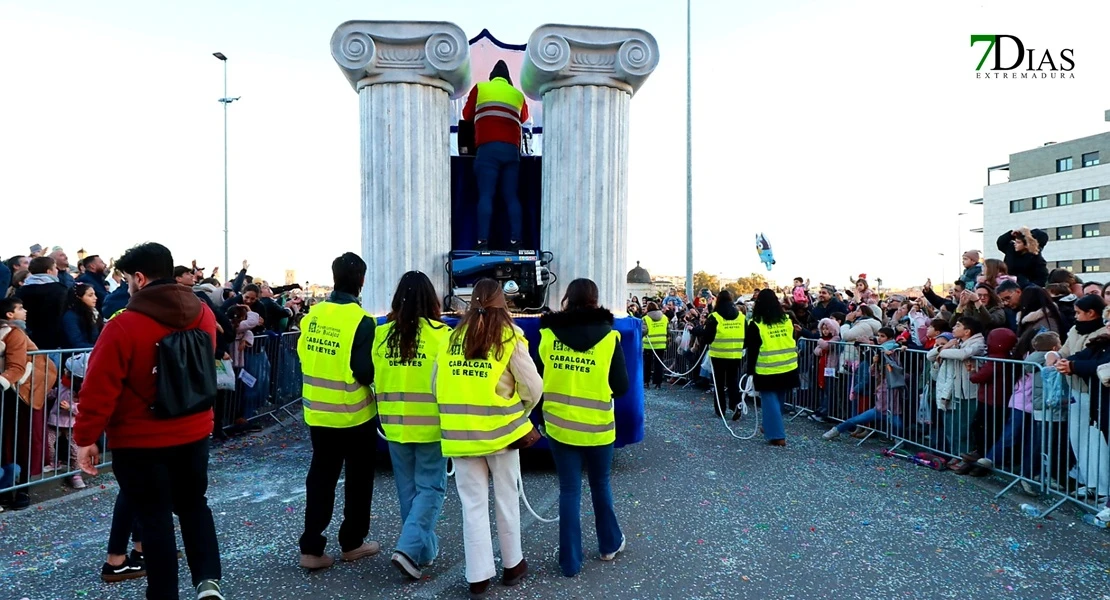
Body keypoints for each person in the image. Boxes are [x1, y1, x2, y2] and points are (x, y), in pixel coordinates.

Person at [73, 242, 224, 600]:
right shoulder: (203, 313)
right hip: (193, 428)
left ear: (139, 278)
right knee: (194, 505)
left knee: (155, 518)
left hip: (140, 437)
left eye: (127, 279)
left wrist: (86, 438)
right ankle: (208, 582)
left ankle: (163, 593)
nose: (127, 287)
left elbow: (99, 388)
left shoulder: (124, 324)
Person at [432, 278, 542, 599]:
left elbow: (435, 386)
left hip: (460, 435)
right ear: (502, 303)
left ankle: (478, 576)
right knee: (507, 498)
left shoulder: (451, 339)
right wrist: (521, 410)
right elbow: (533, 386)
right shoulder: (509, 337)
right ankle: (512, 564)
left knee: (473, 505)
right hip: (502, 432)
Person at [537, 278, 630, 577]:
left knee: (569, 490)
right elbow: (621, 387)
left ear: (567, 298)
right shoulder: (609, 338)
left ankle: (570, 562)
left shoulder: (547, 336)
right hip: (598, 427)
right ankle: (609, 545)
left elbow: (538, 380)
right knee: (600, 485)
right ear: (595, 300)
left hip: (560, 426)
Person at [296, 252, 379, 570]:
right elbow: (365, 371)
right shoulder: (362, 321)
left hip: (318, 411)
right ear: (361, 280)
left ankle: (311, 547)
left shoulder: (313, 316)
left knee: (321, 477)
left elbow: (304, 355)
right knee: (358, 480)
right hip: (353, 414)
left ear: (334, 278)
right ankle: (352, 543)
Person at [372, 271, 452, 580]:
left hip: (394, 424)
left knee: (408, 491)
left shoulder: (382, 334)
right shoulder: (442, 335)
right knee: (430, 488)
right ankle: (407, 549)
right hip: (431, 425)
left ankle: (423, 552)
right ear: (432, 299)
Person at [462, 60, 530, 251]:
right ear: (508, 80)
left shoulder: (481, 88)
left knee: (486, 195)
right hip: (511, 150)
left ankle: (482, 242)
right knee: (511, 197)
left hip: (487, 148)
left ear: (491, 77)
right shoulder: (517, 94)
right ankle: (516, 241)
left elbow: (467, 115)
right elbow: (524, 118)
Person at [743, 289, 799, 446]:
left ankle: (777, 435)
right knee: (779, 400)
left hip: (767, 368)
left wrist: (750, 371)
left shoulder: (756, 324)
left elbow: (752, 350)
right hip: (788, 365)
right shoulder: (786, 320)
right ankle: (769, 425)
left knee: (769, 400)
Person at [703, 290, 746, 418]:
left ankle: (720, 409)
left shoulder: (714, 316)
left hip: (718, 354)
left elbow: (707, 338)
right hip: (735, 354)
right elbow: (747, 335)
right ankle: (736, 404)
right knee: (733, 381)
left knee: (719, 383)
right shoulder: (741, 317)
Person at [61, 283, 103, 349]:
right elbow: (76, 342)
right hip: (79, 353)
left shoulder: (94, 313)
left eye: (94, 294)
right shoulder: (71, 317)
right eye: (90, 295)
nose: (95, 298)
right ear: (79, 297)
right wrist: (101, 347)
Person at [641, 301, 668, 389]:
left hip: (649, 344)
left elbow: (644, 331)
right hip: (661, 343)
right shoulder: (664, 317)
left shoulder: (645, 318)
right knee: (658, 364)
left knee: (647, 364)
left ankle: (646, 382)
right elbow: (668, 329)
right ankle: (658, 383)